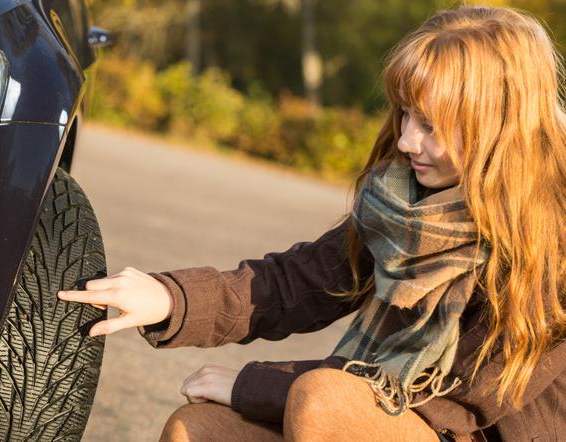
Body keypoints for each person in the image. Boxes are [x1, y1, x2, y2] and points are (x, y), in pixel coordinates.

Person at [57, 4, 566, 442]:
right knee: (200, 429)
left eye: (431, 126)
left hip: (459, 428)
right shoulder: (403, 206)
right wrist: (169, 298)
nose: (408, 141)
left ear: (499, 127)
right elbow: (294, 284)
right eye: (406, 115)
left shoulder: (552, 242)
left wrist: (257, 387)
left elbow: (460, 400)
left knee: (323, 400)